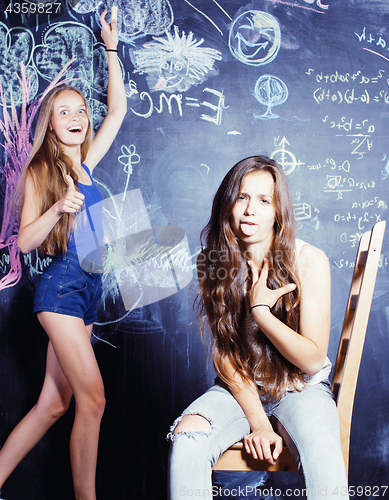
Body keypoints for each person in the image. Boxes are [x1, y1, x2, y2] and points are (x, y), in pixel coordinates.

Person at [167, 156, 349, 499]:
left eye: (264, 200)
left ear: (278, 211)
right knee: (186, 438)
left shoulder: (308, 260)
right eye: (242, 197)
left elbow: (311, 361)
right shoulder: (213, 262)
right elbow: (226, 357)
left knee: (323, 447)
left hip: (300, 388)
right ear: (228, 204)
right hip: (241, 389)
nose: (251, 210)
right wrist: (261, 425)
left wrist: (261, 312)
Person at [0, 10, 126, 500]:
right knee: (92, 400)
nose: (76, 118)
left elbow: (117, 112)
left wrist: (111, 50)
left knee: (54, 405)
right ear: (50, 125)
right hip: (60, 289)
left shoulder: (89, 166)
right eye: (64, 112)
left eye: (80, 111)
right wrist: (57, 208)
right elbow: (25, 242)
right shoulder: (40, 172)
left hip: (91, 287)